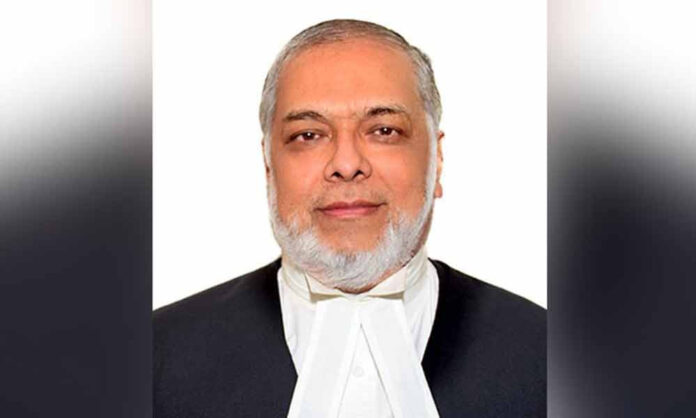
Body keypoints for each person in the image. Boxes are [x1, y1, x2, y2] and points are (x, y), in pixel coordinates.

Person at [154, 19, 545, 417]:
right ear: (268, 166)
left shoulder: (547, 355)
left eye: (384, 130)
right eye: (308, 135)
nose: (346, 163)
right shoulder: (155, 357)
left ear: (438, 160)